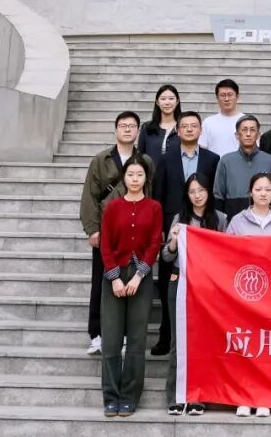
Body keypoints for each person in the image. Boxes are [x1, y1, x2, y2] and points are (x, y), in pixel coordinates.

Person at [151, 110, 220, 358]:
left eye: (194, 125)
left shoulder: (212, 159)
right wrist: (161, 230)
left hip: (204, 227)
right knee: (169, 284)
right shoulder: (165, 159)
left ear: (201, 130)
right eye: (185, 126)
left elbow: (215, 194)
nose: (189, 129)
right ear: (178, 131)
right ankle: (166, 336)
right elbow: (157, 196)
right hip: (175, 226)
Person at [79, 111, 147, 356]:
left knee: (131, 281)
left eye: (132, 126)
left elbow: (149, 194)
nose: (127, 129)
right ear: (116, 129)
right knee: (101, 281)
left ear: (138, 130)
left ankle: (125, 335)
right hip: (107, 231)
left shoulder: (145, 160)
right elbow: (89, 196)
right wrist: (92, 228)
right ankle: (97, 334)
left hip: (135, 231)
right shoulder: (101, 159)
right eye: (123, 125)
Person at [99, 155, 162, 417]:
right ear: (123, 178)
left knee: (136, 340)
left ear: (146, 178)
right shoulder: (113, 207)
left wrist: (138, 277)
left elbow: (154, 243)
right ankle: (111, 396)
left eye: (139, 174)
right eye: (130, 174)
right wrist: (115, 278)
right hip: (113, 277)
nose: (135, 179)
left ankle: (129, 396)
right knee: (112, 340)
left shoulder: (154, 207)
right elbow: (105, 244)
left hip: (141, 278)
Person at [226, 172, 271, 418]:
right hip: (245, 294)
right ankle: (244, 398)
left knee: (269, 348)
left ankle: (265, 397)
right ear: (250, 192)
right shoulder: (237, 221)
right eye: (258, 189)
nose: (263, 194)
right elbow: (227, 254)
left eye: (267, 190)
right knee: (247, 348)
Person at [161, 173, 227, 416]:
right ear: (186, 195)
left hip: (209, 287)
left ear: (209, 192)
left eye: (201, 190)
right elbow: (166, 256)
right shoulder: (180, 219)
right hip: (180, 283)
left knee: (204, 341)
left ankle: (199, 396)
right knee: (178, 341)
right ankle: (176, 396)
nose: (197, 195)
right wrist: (173, 242)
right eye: (192, 191)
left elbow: (227, 254)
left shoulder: (221, 219)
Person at [214, 115, 271, 218]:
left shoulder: (269, 161)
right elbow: (218, 196)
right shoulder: (226, 161)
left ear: (258, 135)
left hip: (263, 219)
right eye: (244, 130)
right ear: (237, 135)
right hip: (232, 219)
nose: (248, 134)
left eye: (252, 130)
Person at [138, 84, 181, 168]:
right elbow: (140, 156)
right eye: (163, 99)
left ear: (177, 101)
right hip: (151, 175)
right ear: (157, 102)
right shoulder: (146, 128)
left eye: (171, 98)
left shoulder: (183, 127)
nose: (167, 102)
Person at [200, 79, 242, 155]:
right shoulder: (208, 122)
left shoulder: (247, 121)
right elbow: (202, 149)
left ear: (237, 96)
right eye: (222, 95)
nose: (226, 99)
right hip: (215, 163)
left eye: (230, 95)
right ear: (217, 98)